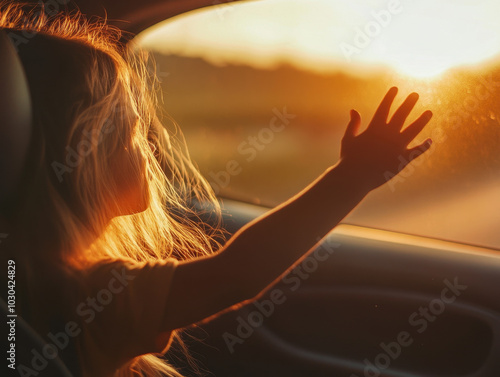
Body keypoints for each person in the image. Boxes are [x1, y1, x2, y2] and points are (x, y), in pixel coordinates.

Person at [0, 3, 433, 377]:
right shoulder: (91, 295)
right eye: (133, 132)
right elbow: (238, 273)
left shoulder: (30, 282)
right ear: (84, 152)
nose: (151, 145)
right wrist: (352, 178)